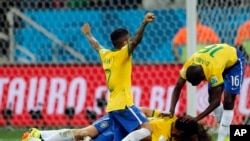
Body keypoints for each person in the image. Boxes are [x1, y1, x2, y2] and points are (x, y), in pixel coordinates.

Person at [81, 12, 155, 141]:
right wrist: (144, 23)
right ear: (125, 42)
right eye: (129, 39)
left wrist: (88, 34)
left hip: (113, 107)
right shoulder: (123, 54)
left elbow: (96, 45)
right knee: (147, 131)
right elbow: (136, 42)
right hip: (124, 104)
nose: (130, 40)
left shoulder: (107, 55)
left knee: (119, 137)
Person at [169, 43, 245, 141]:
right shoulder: (188, 65)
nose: (192, 85)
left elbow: (217, 101)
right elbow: (177, 87)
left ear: (202, 76)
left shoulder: (213, 71)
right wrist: (171, 109)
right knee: (211, 99)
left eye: (195, 82)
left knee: (228, 100)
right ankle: (229, 132)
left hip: (234, 62)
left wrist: (197, 118)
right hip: (216, 60)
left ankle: (221, 138)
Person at [21, 107, 212, 141]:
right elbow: (144, 111)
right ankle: (39, 136)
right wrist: (131, 116)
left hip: (122, 134)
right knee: (84, 133)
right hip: (120, 122)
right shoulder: (167, 119)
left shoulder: (170, 136)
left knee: (83, 138)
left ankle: (39, 135)